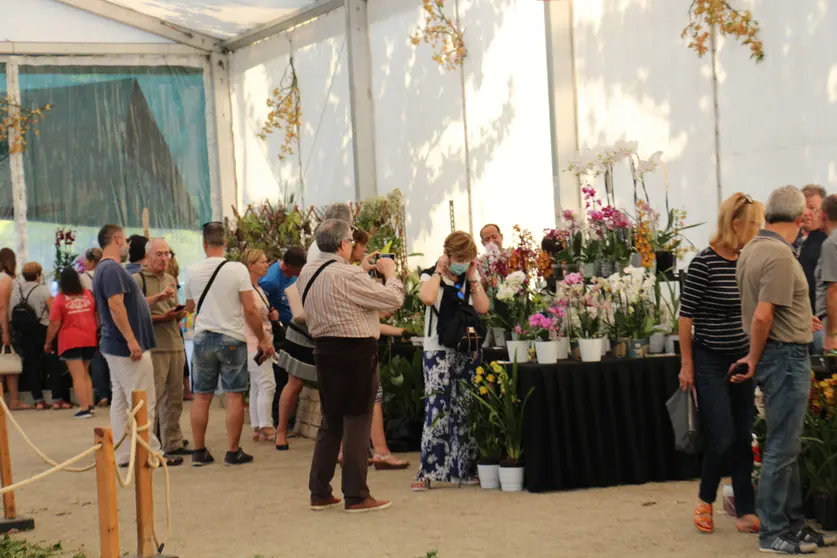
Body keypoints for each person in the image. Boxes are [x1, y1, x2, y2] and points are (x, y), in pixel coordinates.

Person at [735, 185, 834, 554]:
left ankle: (791, 525)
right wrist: (755, 357)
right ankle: (774, 531)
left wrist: (798, 316)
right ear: (799, 218)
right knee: (781, 447)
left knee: (787, 446)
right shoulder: (778, 255)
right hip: (783, 357)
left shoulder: (753, 250)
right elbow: (762, 315)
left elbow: (766, 306)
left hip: (780, 352)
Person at [297, 219, 404, 513]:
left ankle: (319, 491)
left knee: (331, 421)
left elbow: (342, 293)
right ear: (345, 244)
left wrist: (362, 271)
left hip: (324, 351)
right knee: (357, 420)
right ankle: (356, 494)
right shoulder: (348, 275)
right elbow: (393, 300)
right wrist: (390, 273)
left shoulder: (308, 272)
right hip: (356, 351)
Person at [677, 192, 764, 534]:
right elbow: (685, 319)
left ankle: (745, 509)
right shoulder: (704, 263)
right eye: (754, 223)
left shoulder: (750, 260)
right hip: (710, 357)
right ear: (736, 224)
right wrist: (687, 364)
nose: (758, 230)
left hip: (742, 357)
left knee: (744, 433)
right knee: (722, 435)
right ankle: (704, 500)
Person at [184, 222, 274, 467]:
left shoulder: (191, 271)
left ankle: (199, 451)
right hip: (232, 338)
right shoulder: (237, 270)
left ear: (204, 244)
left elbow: (189, 307)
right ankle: (233, 451)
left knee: (201, 397)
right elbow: (250, 309)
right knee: (235, 395)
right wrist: (264, 340)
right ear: (225, 243)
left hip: (202, 337)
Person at [93, 224, 182, 468]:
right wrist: (132, 340)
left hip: (117, 345)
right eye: (127, 242)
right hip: (126, 347)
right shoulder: (111, 268)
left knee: (122, 401)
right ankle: (150, 451)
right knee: (143, 401)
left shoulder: (108, 269)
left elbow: (132, 301)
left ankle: (125, 454)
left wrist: (158, 298)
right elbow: (116, 304)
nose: (129, 247)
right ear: (118, 239)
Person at [413, 231, 490, 491]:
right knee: (437, 407)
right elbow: (426, 298)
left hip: (466, 348)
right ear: (447, 255)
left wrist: (474, 278)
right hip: (437, 350)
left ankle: (463, 469)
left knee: (464, 408)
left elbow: (483, 308)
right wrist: (438, 271)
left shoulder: (470, 277)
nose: (463, 263)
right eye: (459, 259)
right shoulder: (429, 274)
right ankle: (429, 470)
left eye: (468, 259)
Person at [134, 239, 189, 457]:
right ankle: (152, 446)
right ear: (147, 257)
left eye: (167, 254)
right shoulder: (137, 280)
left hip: (175, 342)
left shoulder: (170, 279)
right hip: (154, 347)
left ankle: (173, 441)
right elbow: (134, 312)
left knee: (176, 396)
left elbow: (171, 307)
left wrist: (177, 314)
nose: (164, 258)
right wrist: (161, 317)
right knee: (153, 398)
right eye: (159, 254)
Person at [9, 262, 71, 410]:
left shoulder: (16, 291)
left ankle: (39, 401)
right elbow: (53, 312)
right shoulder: (43, 290)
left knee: (31, 365)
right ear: (38, 275)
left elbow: (11, 313)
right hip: (43, 330)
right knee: (52, 364)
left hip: (24, 333)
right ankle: (57, 399)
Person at [44, 267, 97, 419]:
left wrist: (48, 342)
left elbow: (54, 323)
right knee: (85, 373)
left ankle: (84, 408)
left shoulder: (60, 299)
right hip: (89, 338)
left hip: (70, 340)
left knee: (78, 376)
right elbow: (96, 315)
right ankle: (90, 404)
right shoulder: (88, 295)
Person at [241, 248, 278, 443]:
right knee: (267, 383)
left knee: (257, 385)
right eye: (262, 262)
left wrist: (271, 316)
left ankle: (257, 423)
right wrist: (263, 341)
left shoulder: (257, 288)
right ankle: (266, 425)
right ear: (251, 266)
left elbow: (260, 313)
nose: (266, 265)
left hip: (259, 340)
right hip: (256, 342)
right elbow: (251, 316)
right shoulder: (248, 290)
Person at [0, 248, 28, 410]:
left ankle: (8, 401)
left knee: (5, 361)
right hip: (4, 324)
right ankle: (13, 401)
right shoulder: (5, 279)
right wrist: (5, 331)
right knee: (9, 362)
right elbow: (3, 306)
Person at [798, 185, 828, 311]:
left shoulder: (827, 243)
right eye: (803, 208)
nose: (806, 214)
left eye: (812, 208)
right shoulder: (792, 241)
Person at [260, 246, 305, 326]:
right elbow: (260, 308)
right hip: (281, 327)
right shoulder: (270, 282)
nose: (302, 271)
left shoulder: (294, 273)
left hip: (296, 322)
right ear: (289, 267)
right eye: (300, 269)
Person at [815, 195, 837, 353]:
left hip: (831, 322)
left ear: (824, 215)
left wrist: (831, 335)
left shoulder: (831, 244)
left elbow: (834, 289)